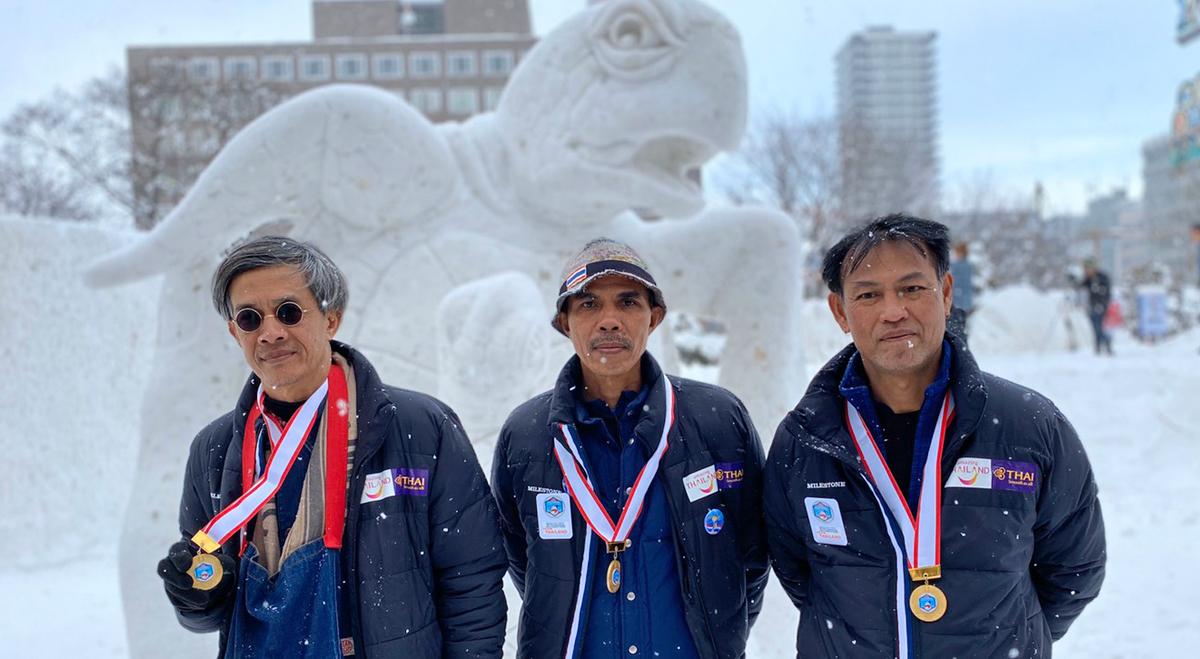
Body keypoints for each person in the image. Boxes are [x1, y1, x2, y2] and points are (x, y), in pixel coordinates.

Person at [763, 214, 1105, 659]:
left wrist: (1008, 641)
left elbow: (1074, 568)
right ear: (840, 312)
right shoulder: (805, 438)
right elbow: (797, 570)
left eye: (912, 288)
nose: (893, 311)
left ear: (945, 294)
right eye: (868, 294)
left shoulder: (1029, 426)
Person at [155, 236, 507, 658]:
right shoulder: (214, 450)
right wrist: (195, 595)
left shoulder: (420, 427)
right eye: (250, 319)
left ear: (331, 318)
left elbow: (472, 580)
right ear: (234, 332)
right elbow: (208, 614)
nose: (270, 333)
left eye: (288, 312)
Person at [490, 238, 769, 659]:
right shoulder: (527, 433)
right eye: (588, 305)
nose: (609, 321)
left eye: (628, 303)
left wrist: (721, 631)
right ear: (565, 322)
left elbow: (751, 551)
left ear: (653, 318)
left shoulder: (715, 417)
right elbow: (523, 561)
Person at [1080, 257, 1114, 355]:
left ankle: (1105, 343)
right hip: (1092, 305)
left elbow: (1106, 291)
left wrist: (1103, 301)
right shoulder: (1088, 279)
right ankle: (1099, 345)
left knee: (1098, 326)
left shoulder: (1102, 277)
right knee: (1095, 327)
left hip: (1100, 305)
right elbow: (1080, 286)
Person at [946, 241, 974, 343]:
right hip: (965, 301)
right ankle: (962, 346)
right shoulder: (968, 265)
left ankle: (959, 347)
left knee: (955, 328)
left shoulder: (957, 266)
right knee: (961, 327)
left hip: (958, 301)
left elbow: (954, 282)